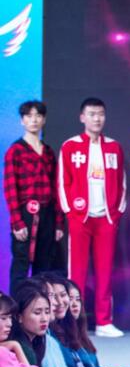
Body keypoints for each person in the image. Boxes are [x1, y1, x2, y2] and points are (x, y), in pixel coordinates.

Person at [57, 98, 126, 338]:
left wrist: (115, 213)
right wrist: (71, 212)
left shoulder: (114, 147)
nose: (97, 118)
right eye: (92, 114)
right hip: (80, 218)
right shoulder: (70, 146)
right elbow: (63, 182)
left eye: (100, 114)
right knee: (77, 273)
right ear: (82, 117)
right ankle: (74, 324)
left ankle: (104, 321)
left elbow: (122, 182)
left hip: (105, 219)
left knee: (105, 272)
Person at [3, 101, 64, 295]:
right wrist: (17, 221)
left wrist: (59, 223)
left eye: (38, 116)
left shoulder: (48, 152)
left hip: (47, 214)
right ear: (22, 121)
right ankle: (15, 309)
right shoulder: (15, 150)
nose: (34, 120)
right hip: (25, 214)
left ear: (44, 120)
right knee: (21, 263)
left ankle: (39, 309)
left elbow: (56, 188)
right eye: (29, 116)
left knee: (44, 266)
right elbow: (10, 187)